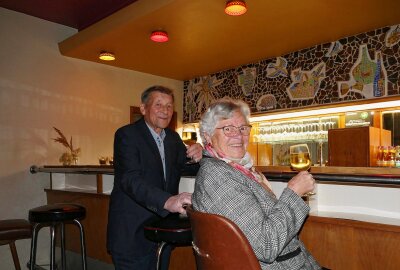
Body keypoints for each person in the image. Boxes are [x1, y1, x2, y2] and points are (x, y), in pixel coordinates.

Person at [192, 98, 321, 269]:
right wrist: (294, 193)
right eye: (227, 128)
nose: (238, 135)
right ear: (207, 136)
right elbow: (266, 246)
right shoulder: (218, 175)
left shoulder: (239, 169)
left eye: (243, 128)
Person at [107, 85, 203, 270]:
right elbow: (129, 179)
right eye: (158, 105)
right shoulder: (126, 135)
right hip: (131, 231)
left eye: (169, 106)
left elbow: (189, 167)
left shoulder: (173, 139)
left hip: (161, 230)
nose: (165, 111)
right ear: (143, 108)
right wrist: (167, 201)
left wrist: (200, 153)